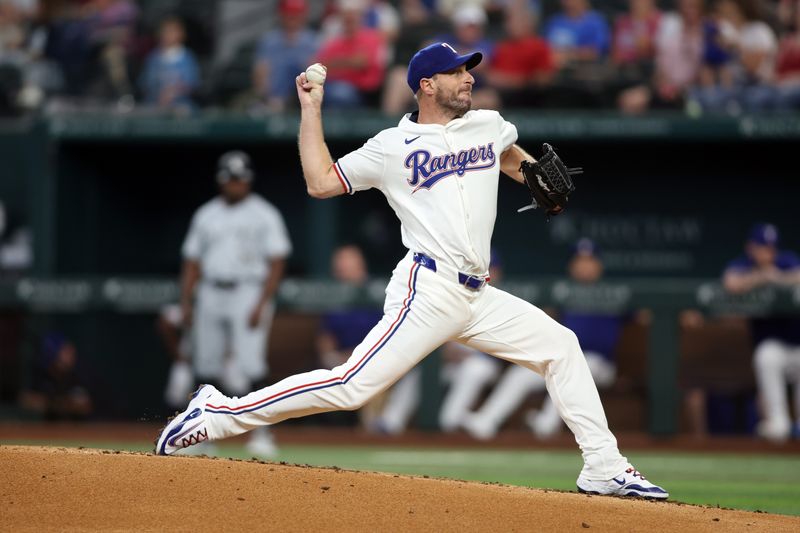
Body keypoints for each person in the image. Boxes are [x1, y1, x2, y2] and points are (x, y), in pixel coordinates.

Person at [156, 41, 668, 500]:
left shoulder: (486, 124)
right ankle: (218, 413)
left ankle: (603, 467)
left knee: (562, 347)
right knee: (352, 386)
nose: (468, 77)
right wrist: (311, 109)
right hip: (428, 289)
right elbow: (319, 182)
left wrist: (531, 172)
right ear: (427, 84)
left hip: (477, 294)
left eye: (469, 70)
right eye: (456, 72)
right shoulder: (391, 147)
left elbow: (509, 156)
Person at [177, 149, 292, 458]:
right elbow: (191, 261)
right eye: (230, 180)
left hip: (248, 290)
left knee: (252, 364)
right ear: (221, 181)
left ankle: (263, 434)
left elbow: (278, 260)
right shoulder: (206, 214)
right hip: (211, 290)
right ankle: (200, 434)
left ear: (248, 181)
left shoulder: (264, 213)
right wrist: (186, 302)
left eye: (240, 180)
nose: (235, 185)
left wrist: (262, 303)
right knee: (205, 365)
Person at [461, 238, 630, 441]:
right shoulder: (561, 291)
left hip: (601, 365)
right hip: (560, 358)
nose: (584, 265)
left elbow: (647, 315)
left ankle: (548, 423)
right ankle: (487, 420)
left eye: (590, 260)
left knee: (583, 364)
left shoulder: (614, 291)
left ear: (599, 264)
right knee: (521, 373)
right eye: (579, 260)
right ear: (572, 265)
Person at [722, 222, 800, 442]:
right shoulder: (744, 264)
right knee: (766, 356)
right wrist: (760, 277)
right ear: (751, 248)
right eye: (762, 247)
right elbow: (731, 282)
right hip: (774, 344)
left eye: (770, 248)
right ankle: (778, 423)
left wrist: (775, 277)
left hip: (797, 341)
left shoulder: (786, 260)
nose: (767, 253)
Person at [315, 243, 385, 429]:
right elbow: (325, 335)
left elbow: (384, 337)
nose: (340, 269)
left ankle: (382, 427)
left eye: (345, 264)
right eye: (338, 265)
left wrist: (352, 356)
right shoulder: (335, 294)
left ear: (360, 265)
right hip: (340, 361)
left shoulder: (377, 292)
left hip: (373, 358)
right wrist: (329, 356)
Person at [251, 0, 319, 113]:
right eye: (289, 15)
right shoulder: (270, 40)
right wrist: (264, 94)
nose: (292, 18)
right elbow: (260, 71)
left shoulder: (312, 41)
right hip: (274, 98)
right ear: (281, 15)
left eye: (296, 15)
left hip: (304, 96)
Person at [18, 332, 93, 420]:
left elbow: (84, 406)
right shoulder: (40, 375)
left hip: (73, 431)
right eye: (66, 351)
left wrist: (53, 404)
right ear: (52, 352)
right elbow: (26, 401)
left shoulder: (75, 376)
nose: (72, 355)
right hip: (43, 430)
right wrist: (60, 404)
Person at [137, 16, 200, 111]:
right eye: (165, 31)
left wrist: (173, 92)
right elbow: (146, 82)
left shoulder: (187, 57)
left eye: (172, 31)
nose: (167, 35)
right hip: (155, 103)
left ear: (181, 34)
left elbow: (192, 82)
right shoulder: (153, 58)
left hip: (181, 104)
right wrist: (158, 93)